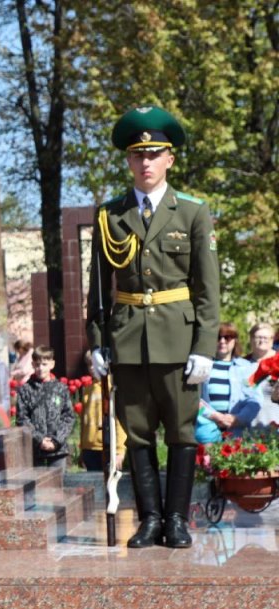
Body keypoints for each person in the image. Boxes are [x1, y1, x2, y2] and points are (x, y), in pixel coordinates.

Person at [87, 105, 220, 549]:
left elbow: (207, 288)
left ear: (170, 160)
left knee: (181, 433)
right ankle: (149, 521)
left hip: (178, 342)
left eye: (154, 154)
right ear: (128, 160)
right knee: (138, 433)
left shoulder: (193, 214)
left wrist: (204, 347)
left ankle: (177, 520)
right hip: (127, 342)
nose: (145, 162)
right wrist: (96, 343)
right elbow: (98, 291)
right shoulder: (110, 216)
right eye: (137, 155)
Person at [196, 322, 260, 443]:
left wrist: (237, 419)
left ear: (235, 340)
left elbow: (255, 399)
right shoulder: (201, 365)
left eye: (227, 337)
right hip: (206, 430)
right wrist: (215, 416)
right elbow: (192, 398)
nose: (222, 341)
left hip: (238, 432)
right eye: (218, 337)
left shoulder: (248, 368)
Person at [14, 345, 75, 469]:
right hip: (35, 450)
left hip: (57, 449)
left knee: (58, 486)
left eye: (44, 364)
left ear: (52, 365)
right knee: (38, 486)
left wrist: (56, 440)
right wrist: (39, 439)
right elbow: (22, 419)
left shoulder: (60, 388)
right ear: (32, 364)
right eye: (37, 365)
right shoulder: (26, 390)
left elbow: (68, 417)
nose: (40, 368)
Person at [77, 350, 126, 472]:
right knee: (95, 485)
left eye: (94, 363)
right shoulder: (88, 389)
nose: (92, 368)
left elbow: (120, 420)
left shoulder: (112, 387)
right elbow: (84, 421)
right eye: (89, 364)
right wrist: (82, 448)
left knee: (110, 483)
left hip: (108, 447)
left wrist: (120, 449)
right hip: (90, 448)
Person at [244, 322, 279, 428]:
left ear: (272, 340)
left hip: (275, 422)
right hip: (245, 424)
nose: (261, 340)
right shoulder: (241, 364)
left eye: (265, 337)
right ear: (250, 339)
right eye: (258, 337)